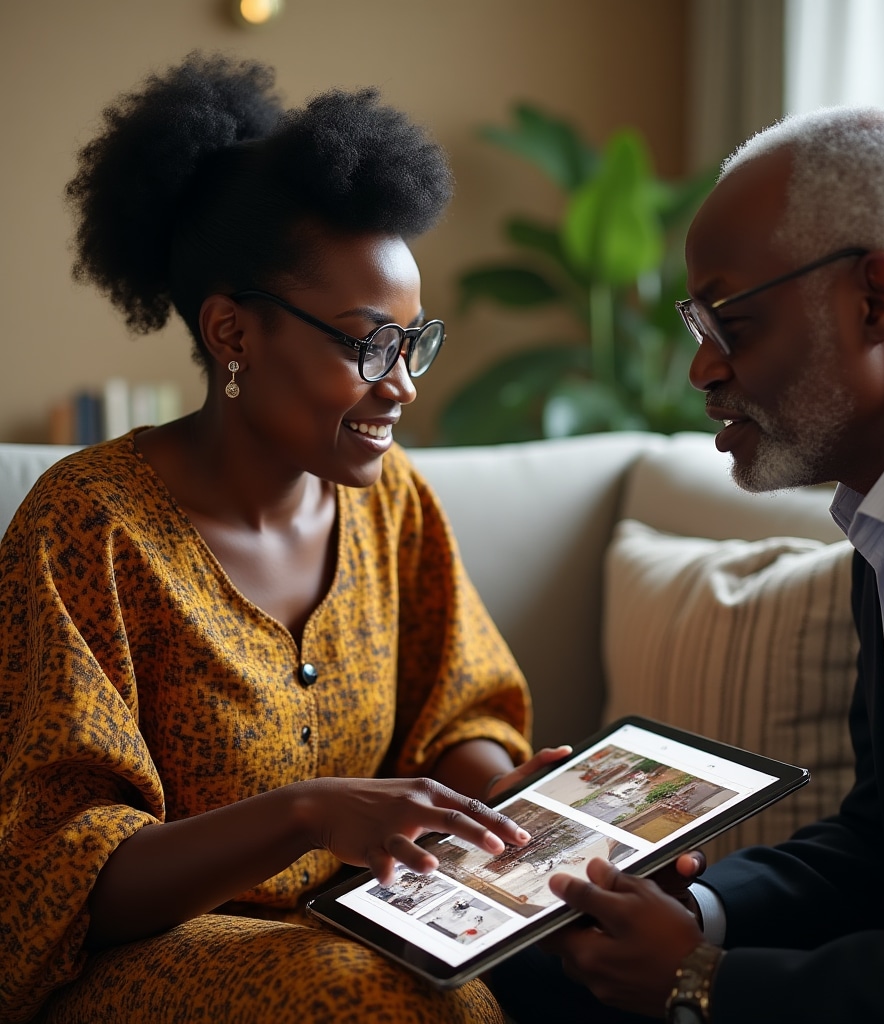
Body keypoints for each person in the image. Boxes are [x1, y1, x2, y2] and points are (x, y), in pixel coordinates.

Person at [0, 52, 566, 1024]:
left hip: (369, 921)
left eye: (413, 341)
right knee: (379, 999)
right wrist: (305, 813)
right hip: (141, 960)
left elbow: (457, 714)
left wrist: (501, 798)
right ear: (232, 334)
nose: (402, 384)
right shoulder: (87, 526)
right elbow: (58, 884)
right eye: (368, 343)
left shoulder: (392, 503)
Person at [491, 106, 884, 1023]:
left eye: (731, 322)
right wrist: (693, 913)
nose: (701, 369)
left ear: (878, 303)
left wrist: (702, 983)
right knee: (501, 967)